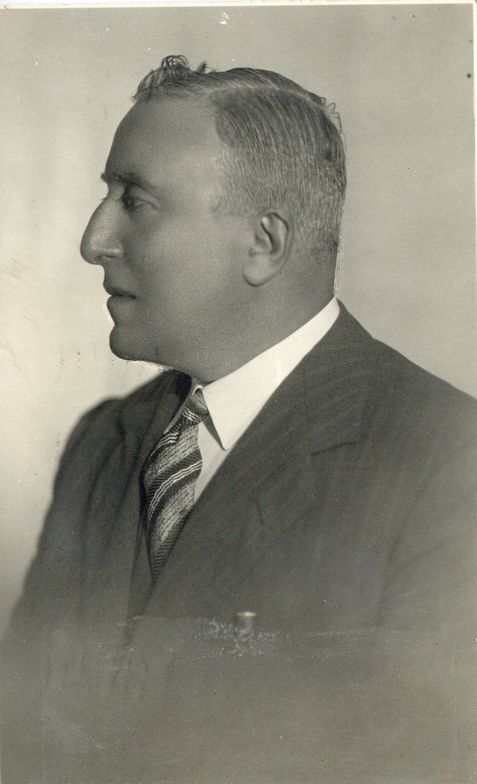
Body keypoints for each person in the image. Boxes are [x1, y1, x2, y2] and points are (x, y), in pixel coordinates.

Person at [2, 55, 476, 784]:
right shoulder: (104, 441)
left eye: (136, 201)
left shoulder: (447, 460)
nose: (94, 240)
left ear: (264, 243)